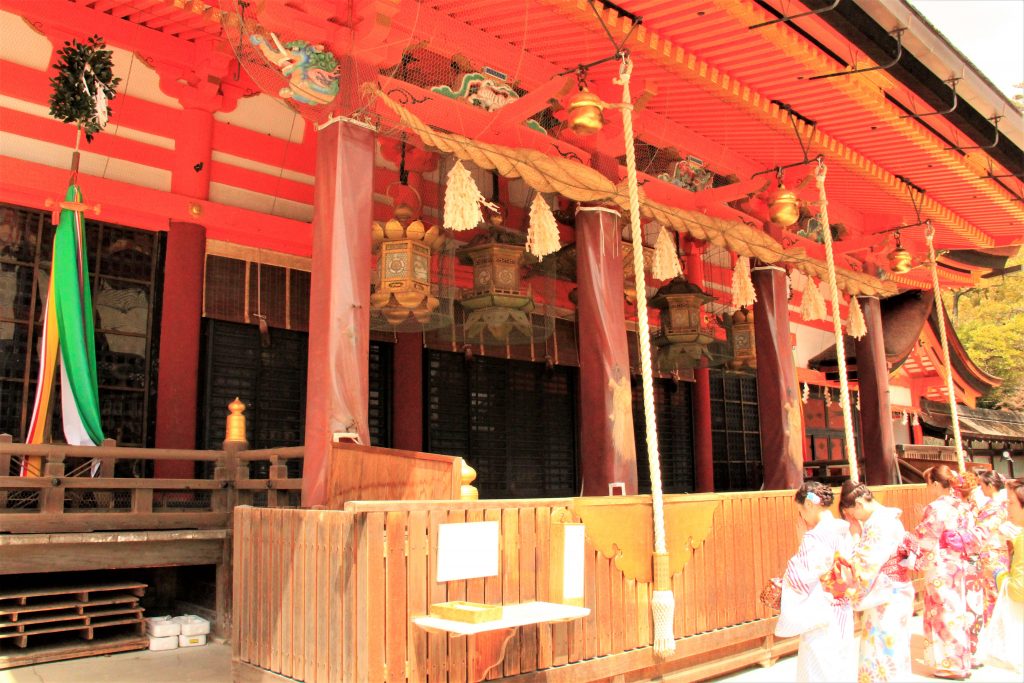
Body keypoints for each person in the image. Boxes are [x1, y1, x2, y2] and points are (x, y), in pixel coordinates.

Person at [775, 481, 855, 682]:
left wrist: (802, 540)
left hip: (821, 609)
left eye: (801, 510)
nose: (801, 516)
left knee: (819, 666)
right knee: (840, 662)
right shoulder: (844, 528)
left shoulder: (815, 537)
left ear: (810, 505)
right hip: (843, 607)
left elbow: (798, 576)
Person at [838, 481, 915, 682]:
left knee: (880, 651)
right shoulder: (890, 518)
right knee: (895, 648)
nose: (855, 519)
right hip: (897, 589)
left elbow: (863, 566)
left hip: (885, 594)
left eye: (853, 514)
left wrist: (854, 536)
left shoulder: (877, 524)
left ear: (859, 505)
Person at [914, 465, 977, 680]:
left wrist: (915, 535)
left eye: (928, 483)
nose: (928, 487)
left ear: (934, 483)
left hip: (940, 564)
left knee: (943, 613)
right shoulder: (962, 505)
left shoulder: (936, 507)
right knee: (956, 611)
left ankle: (951, 665)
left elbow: (926, 537)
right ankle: (962, 661)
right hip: (958, 563)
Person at [975, 471, 1016, 627]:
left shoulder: (996, 505)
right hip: (999, 548)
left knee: (992, 589)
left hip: (992, 549)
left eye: (982, 485)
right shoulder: (1004, 502)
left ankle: (995, 624)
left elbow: (986, 528)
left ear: (990, 485)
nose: (980, 489)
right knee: (994, 587)